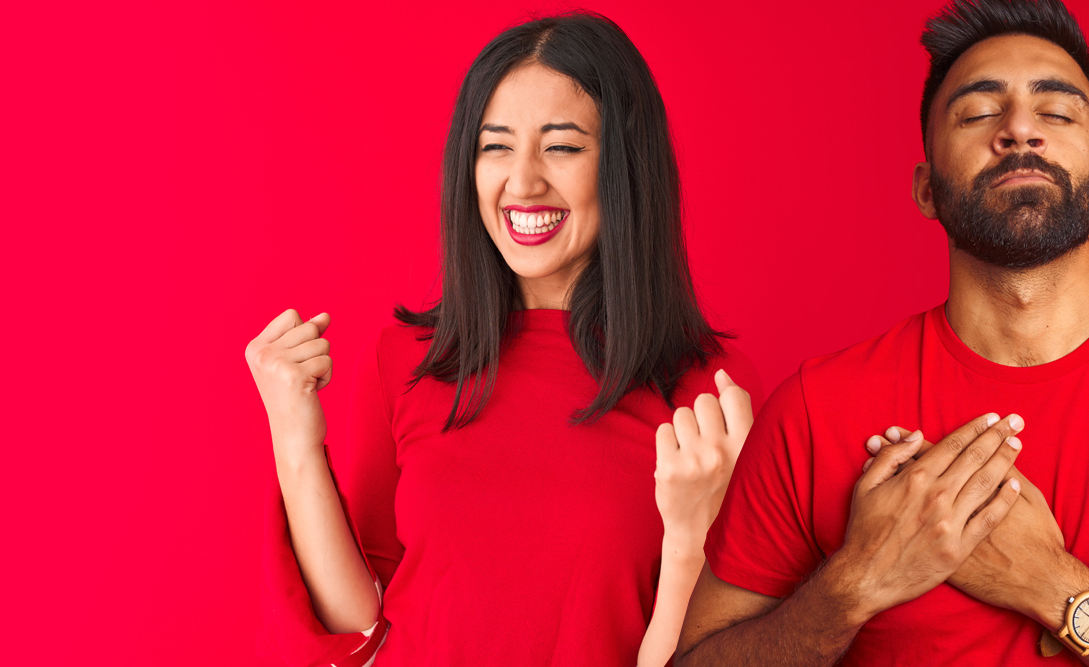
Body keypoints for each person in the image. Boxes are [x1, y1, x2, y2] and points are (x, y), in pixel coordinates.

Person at [676, 0, 1089, 665]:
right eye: (977, 112)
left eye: (1056, 111)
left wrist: (1051, 585)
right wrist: (857, 582)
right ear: (925, 190)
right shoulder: (813, 409)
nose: (1019, 129)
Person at [243, 12, 759, 666]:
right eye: (495, 146)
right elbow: (360, 628)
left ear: (624, 165)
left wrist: (690, 541)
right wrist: (294, 437)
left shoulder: (708, 395)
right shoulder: (407, 358)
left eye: (562, 146)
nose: (522, 182)